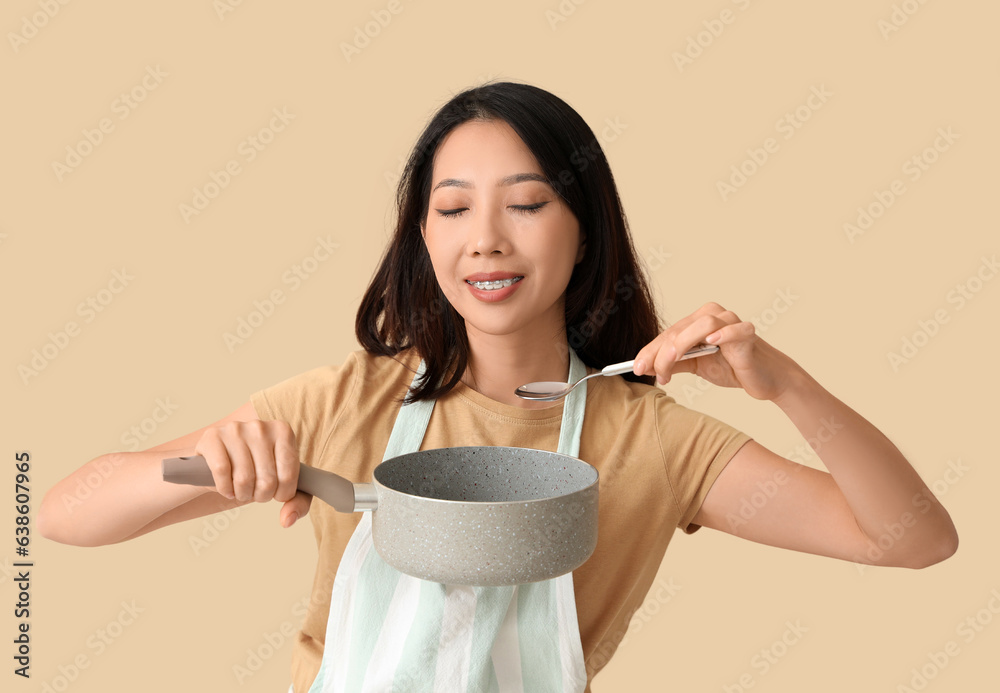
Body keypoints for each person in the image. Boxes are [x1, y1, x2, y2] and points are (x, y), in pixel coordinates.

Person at [39, 81, 959, 693]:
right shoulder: (344, 404)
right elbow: (60, 512)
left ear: (585, 230)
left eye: (526, 204)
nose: (485, 239)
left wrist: (785, 382)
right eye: (452, 209)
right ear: (424, 239)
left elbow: (912, 539)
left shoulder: (653, 442)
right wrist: (207, 464)